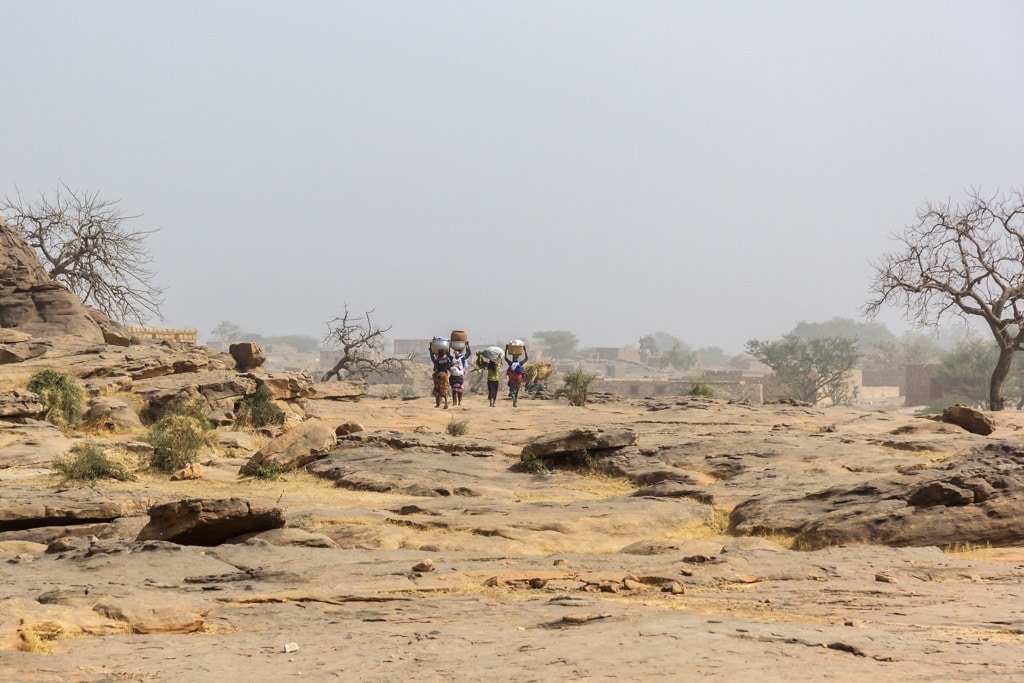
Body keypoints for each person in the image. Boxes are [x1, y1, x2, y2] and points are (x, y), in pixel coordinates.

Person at [429, 344, 454, 409]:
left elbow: (435, 369)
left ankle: (438, 404)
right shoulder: (447, 360)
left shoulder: (437, 360)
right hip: (445, 375)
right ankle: (446, 403)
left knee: (437, 389)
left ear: (438, 354)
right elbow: (449, 368)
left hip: (439, 376)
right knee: (444, 389)